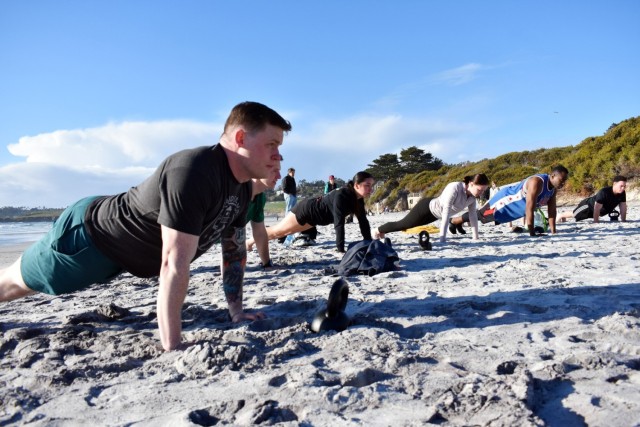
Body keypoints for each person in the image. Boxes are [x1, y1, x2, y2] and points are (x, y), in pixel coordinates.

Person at [0, 101, 292, 352]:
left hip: (124, 253)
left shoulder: (241, 189)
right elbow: (173, 262)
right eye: (271, 145)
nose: (277, 156)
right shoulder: (194, 170)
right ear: (240, 137)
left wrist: (237, 312)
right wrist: (173, 344)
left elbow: (233, 253)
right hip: (90, 238)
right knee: (12, 285)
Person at [247, 172, 375, 252]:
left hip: (314, 219)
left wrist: (368, 241)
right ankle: (250, 241)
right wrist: (340, 249)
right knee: (279, 231)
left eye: (372, 185)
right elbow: (339, 223)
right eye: (367, 185)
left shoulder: (358, 199)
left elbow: (363, 221)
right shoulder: (343, 195)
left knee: (282, 232)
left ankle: (252, 240)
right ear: (356, 185)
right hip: (307, 210)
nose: (370, 189)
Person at [374, 174, 490, 243]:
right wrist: (442, 238)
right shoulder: (454, 187)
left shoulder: (472, 198)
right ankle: (377, 231)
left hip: (435, 215)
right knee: (405, 224)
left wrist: (476, 238)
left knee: (410, 225)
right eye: (479, 190)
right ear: (470, 184)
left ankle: (383, 231)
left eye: (483, 190)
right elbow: (446, 213)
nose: (481, 193)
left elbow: (473, 216)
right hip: (426, 208)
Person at [462, 165, 569, 236]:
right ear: (553, 175)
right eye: (561, 180)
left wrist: (554, 232)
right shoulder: (537, 182)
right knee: (483, 215)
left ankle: (457, 222)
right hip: (505, 201)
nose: (563, 184)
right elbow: (529, 208)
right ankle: (454, 221)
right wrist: (532, 234)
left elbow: (552, 211)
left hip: (515, 210)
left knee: (488, 219)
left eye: (564, 181)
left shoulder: (553, 190)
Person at [245, 156, 283, 269]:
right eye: (274, 171)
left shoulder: (259, 197)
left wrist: (267, 263)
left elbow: (260, 232)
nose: (279, 176)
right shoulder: (237, 192)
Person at [558, 175, 628, 223]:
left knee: (580, 215)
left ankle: (563, 216)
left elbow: (623, 207)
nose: (623, 188)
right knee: (575, 214)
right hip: (587, 206)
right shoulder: (604, 192)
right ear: (614, 184)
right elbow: (596, 208)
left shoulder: (622, 193)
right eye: (621, 186)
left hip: (598, 212)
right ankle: (561, 215)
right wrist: (596, 222)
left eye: (624, 186)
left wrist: (623, 220)